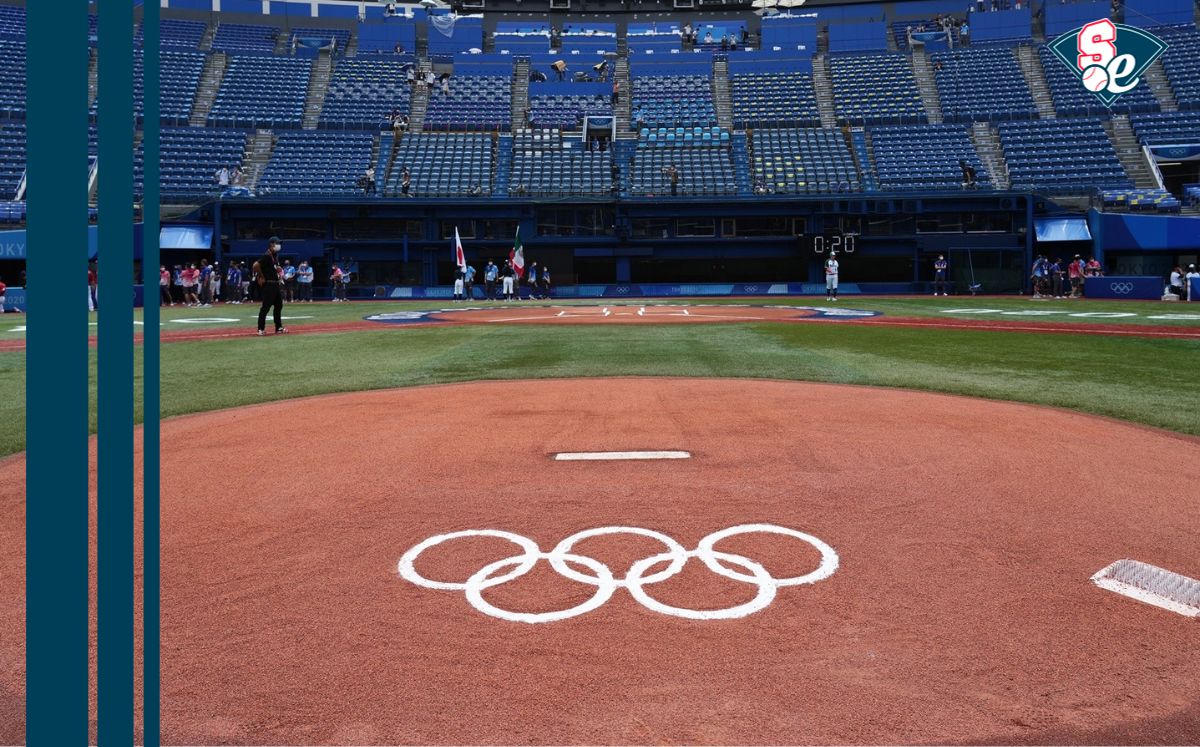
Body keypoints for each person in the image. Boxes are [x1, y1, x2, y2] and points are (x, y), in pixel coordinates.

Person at [253, 237, 288, 336]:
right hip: (269, 285)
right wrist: (261, 276)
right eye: (277, 243)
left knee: (278, 305)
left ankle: (279, 328)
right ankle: (260, 329)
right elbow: (255, 265)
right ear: (271, 244)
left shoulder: (274, 255)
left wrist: (277, 269)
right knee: (265, 307)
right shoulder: (267, 255)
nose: (279, 245)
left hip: (275, 284)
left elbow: (271, 268)